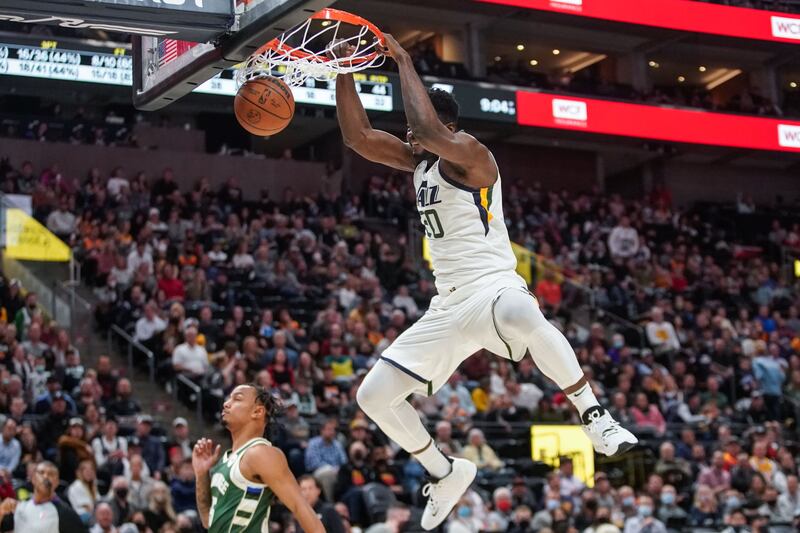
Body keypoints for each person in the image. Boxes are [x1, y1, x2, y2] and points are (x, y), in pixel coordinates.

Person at [333, 34, 636, 530]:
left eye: (419, 127)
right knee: (372, 395)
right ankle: (445, 472)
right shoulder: (419, 161)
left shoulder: (472, 155)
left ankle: (595, 416)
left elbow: (426, 127)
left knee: (522, 312)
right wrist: (343, 70)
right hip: (448, 305)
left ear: (448, 127)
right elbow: (359, 137)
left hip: (493, 286)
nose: (410, 135)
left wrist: (403, 59)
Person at [191, 383, 324, 533]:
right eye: (228, 398)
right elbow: (208, 521)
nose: (226, 403)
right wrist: (201, 474)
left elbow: (300, 506)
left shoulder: (260, 453)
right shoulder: (226, 460)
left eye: (237, 399)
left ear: (258, 411)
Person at [0, 461, 88, 532]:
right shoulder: (20, 506)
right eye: (41, 473)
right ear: (33, 478)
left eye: (51, 474)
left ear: (57, 482)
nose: (45, 476)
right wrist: (1, 511)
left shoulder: (65, 512)